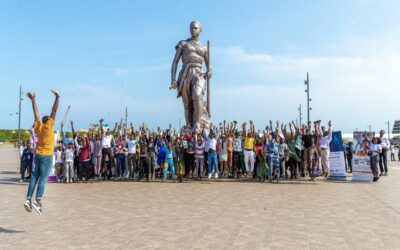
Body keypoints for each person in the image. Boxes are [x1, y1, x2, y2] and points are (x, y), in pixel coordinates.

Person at [24, 90, 60, 215]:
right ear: (49, 120)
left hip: (38, 154)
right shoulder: (49, 125)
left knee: (34, 177)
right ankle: (38, 201)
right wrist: (57, 97)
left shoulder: (38, 126)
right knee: (43, 179)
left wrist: (33, 100)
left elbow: (36, 112)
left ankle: (28, 199)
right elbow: (54, 110)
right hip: (47, 156)